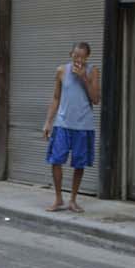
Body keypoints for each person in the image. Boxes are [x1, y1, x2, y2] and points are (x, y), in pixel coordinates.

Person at [41, 41, 101, 212]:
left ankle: (73, 199)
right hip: (62, 123)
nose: (78, 60)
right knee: (56, 159)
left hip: (83, 125)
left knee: (79, 163)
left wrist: (84, 78)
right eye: (76, 56)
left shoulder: (93, 71)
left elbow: (96, 99)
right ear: (70, 55)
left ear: (87, 57)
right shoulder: (61, 70)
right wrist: (48, 122)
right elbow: (55, 98)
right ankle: (58, 198)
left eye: (82, 57)